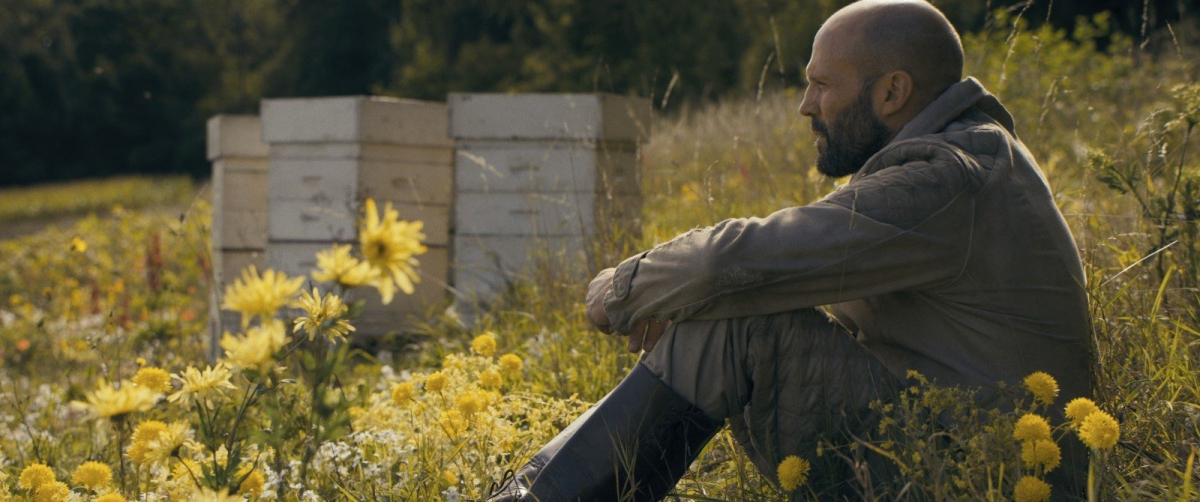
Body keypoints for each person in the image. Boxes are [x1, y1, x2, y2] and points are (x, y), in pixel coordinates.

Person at [491, 0, 1094, 500]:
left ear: (892, 92)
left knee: (738, 319)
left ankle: (529, 498)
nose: (806, 105)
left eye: (821, 85)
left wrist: (621, 289)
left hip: (983, 479)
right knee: (733, 303)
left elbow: (729, 260)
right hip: (963, 454)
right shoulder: (967, 157)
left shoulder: (945, 179)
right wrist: (695, 300)